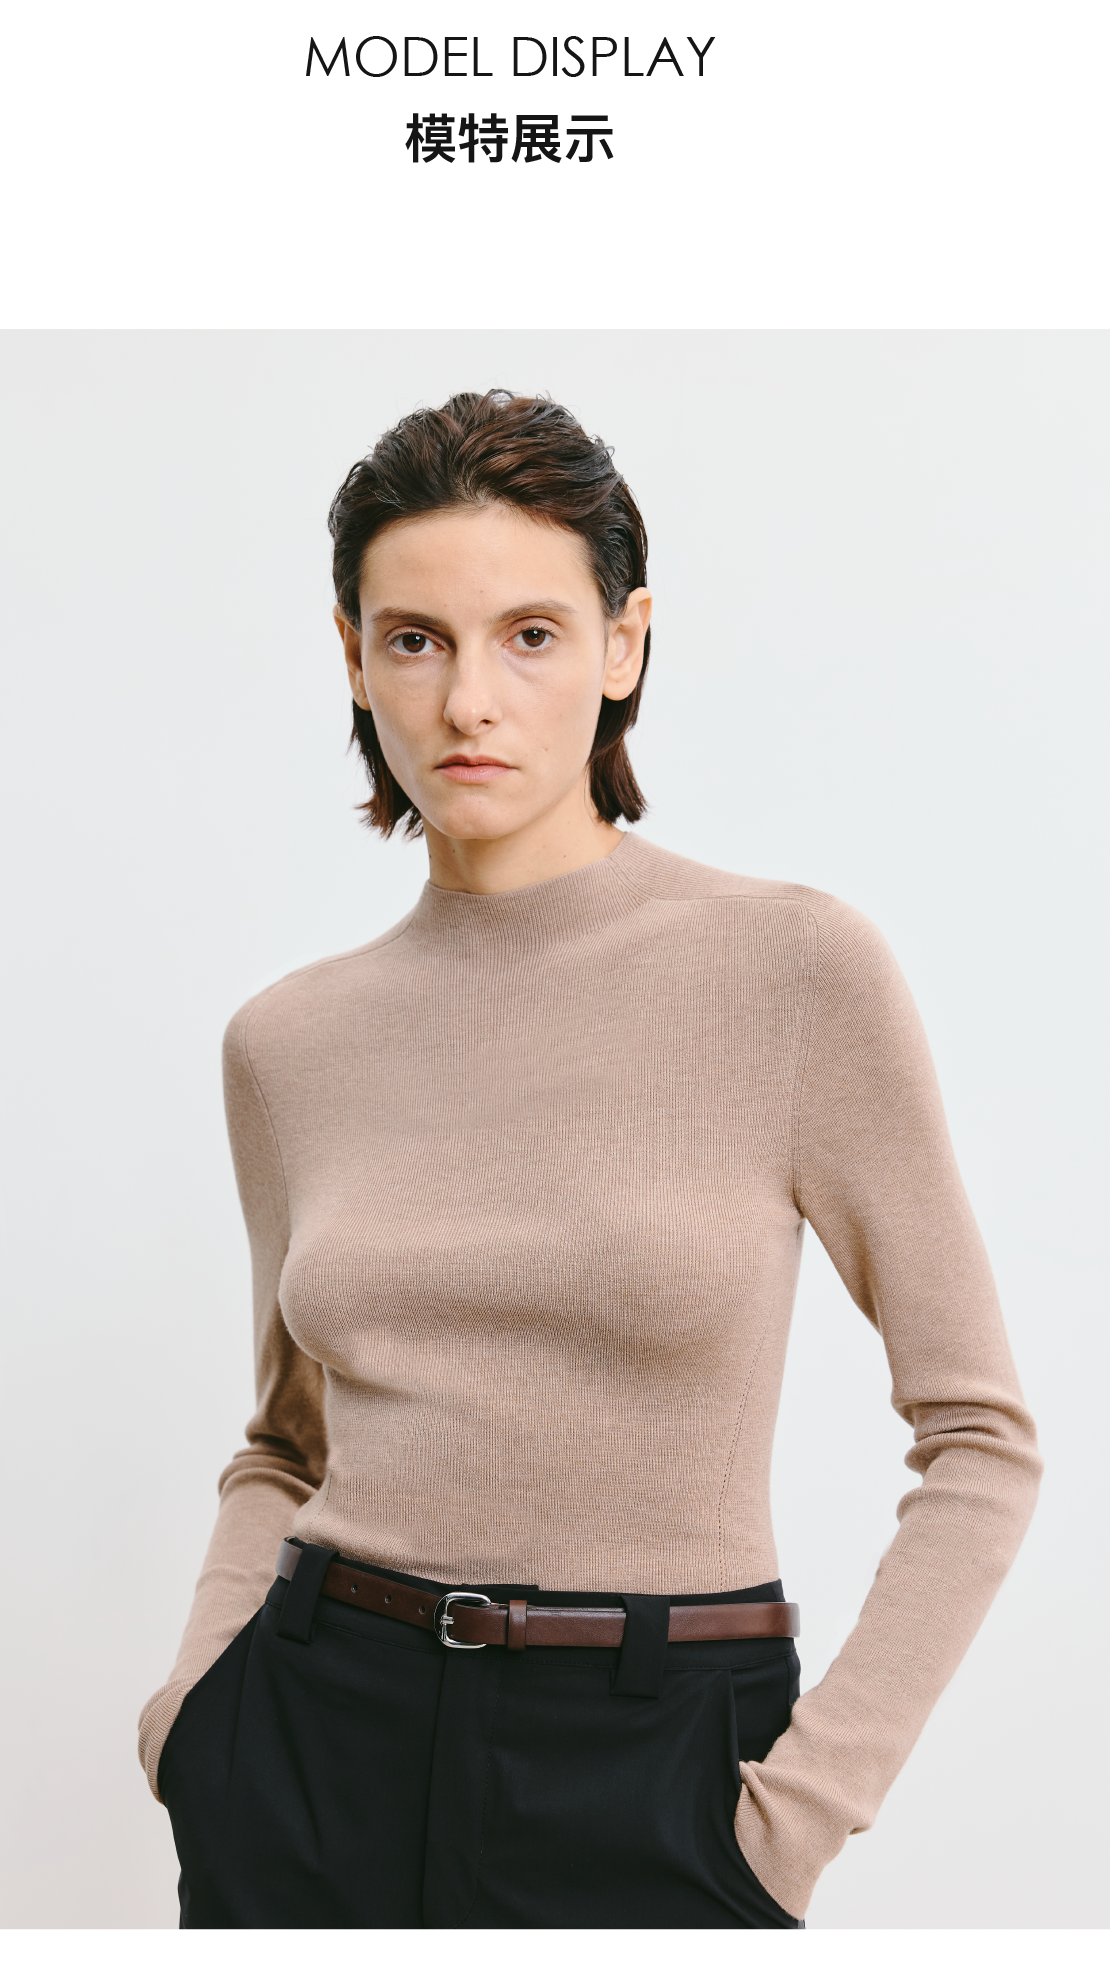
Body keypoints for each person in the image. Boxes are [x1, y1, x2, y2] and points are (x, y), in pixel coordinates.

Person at [138, 389, 1042, 1929]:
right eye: (415, 639)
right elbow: (286, 1443)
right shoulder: (286, 1043)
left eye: (532, 636)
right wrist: (197, 1728)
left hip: (655, 1759)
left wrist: (788, 1827)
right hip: (310, 1743)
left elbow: (980, 1438)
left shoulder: (794, 972)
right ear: (352, 657)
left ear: (625, 645)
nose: (468, 700)